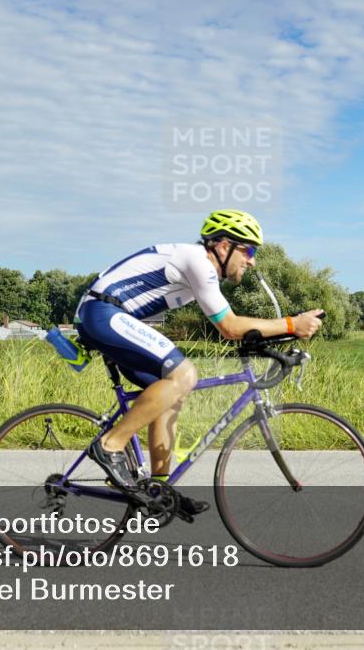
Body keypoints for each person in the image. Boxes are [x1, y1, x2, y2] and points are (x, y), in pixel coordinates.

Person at [75, 209, 324, 515]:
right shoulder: (198, 262)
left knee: (169, 392)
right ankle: (110, 445)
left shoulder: (200, 272)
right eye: (248, 250)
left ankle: (159, 489)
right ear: (223, 246)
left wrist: (275, 338)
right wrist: (290, 325)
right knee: (184, 375)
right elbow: (230, 327)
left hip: (108, 316)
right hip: (102, 314)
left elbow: (235, 329)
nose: (252, 260)